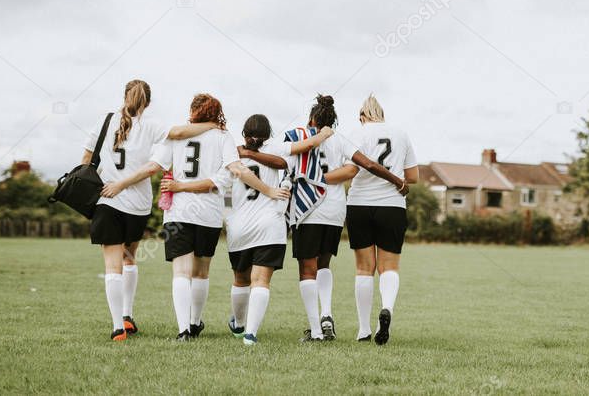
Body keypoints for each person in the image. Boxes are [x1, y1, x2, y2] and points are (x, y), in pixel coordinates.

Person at [101, 95, 296, 341]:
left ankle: (184, 330)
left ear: (193, 112)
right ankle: (195, 323)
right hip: (208, 214)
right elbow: (233, 172)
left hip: (179, 213)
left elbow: (154, 166)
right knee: (201, 273)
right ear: (216, 114)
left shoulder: (176, 135)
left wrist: (125, 184)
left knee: (181, 273)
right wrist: (268, 190)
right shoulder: (223, 136)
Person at [83, 79, 220, 341]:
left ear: (124, 96)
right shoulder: (151, 125)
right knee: (129, 259)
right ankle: (127, 314)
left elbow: (86, 160)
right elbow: (179, 134)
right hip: (136, 204)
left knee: (112, 265)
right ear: (147, 101)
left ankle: (117, 328)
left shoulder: (104, 121)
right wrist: (212, 125)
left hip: (106, 199)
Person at [289, 94, 404, 342]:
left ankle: (317, 331)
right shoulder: (340, 139)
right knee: (323, 265)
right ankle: (327, 314)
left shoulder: (299, 138)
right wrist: (397, 180)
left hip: (309, 209)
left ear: (311, 118)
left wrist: (312, 179)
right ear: (334, 120)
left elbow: (285, 162)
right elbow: (355, 168)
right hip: (334, 209)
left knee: (307, 270)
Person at [226, 113, 331, 346]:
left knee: (240, 280)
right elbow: (308, 144)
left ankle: (239, 325)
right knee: (261, 281)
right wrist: (323, 133)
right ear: (269, 134)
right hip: (270, 225)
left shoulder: (232, 152)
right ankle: (250, 335)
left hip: (239, 226)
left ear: (244, 133)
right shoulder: (276, 147)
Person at [327, 94, 417, 345]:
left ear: (362, 116)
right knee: (389, 267)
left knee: (364, 269)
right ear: (382, 114)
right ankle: (386, 309)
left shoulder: (357, 133)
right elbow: (414, 176)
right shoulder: (401, 133)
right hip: (392, 206)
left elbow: (351, 170)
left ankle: (364, 330)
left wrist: (320, 178)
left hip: (360, 205)